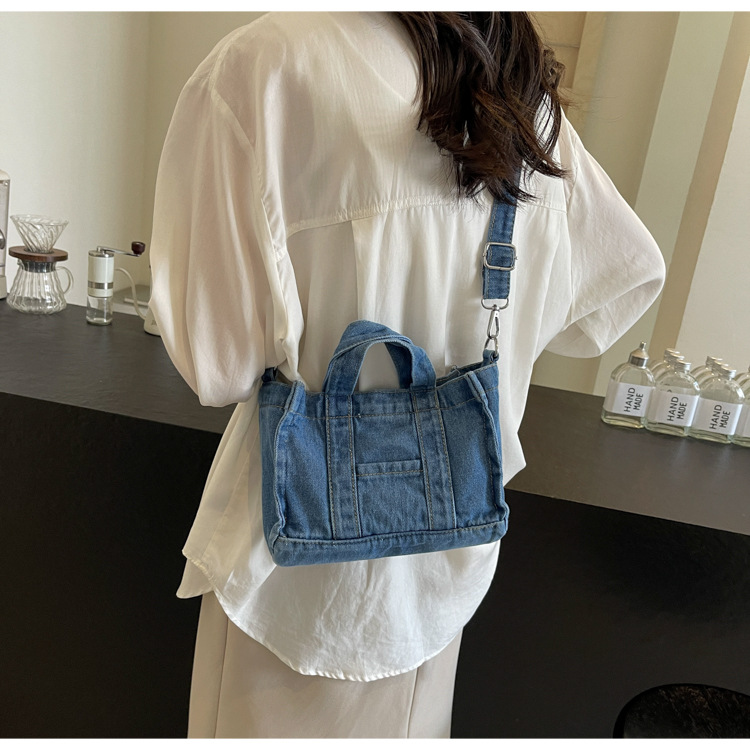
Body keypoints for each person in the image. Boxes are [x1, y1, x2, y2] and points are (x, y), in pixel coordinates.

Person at [149, 11, 665, 738]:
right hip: (443, 567)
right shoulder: (519, 92)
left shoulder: (265, 66)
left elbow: (219, 364)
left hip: (289, 579)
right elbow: (621, 281)